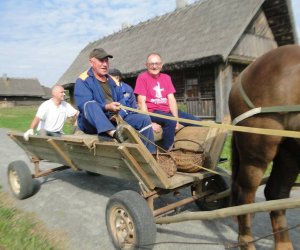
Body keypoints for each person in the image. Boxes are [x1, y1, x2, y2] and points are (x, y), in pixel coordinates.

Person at [74, 48, 155, 153]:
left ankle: (150, 155)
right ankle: (114, 133)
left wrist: (119, 114)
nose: (104, 64)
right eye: (101, 61)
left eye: (106, 61)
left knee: (144, 119)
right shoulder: (83, 80)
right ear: (91, 62)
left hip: (113, 118)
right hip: (91, 122)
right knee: (90, 104)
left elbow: (122, 101)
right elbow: (83, 105)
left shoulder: (113, 80)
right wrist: (106, 107)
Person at [134, 52, 201, 151]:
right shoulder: (142, 78)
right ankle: (167, 151)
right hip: (153, 111)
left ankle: (202, 150)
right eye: (151, 64)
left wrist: (177, 118)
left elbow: (171, 99)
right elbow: (141, 102)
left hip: (167, 111)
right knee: (170, 120)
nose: (154, 66)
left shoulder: (166, 78)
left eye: (157, 63)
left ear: (161, 65)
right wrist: (149, 122)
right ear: (146, 65)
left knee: (195, 121)